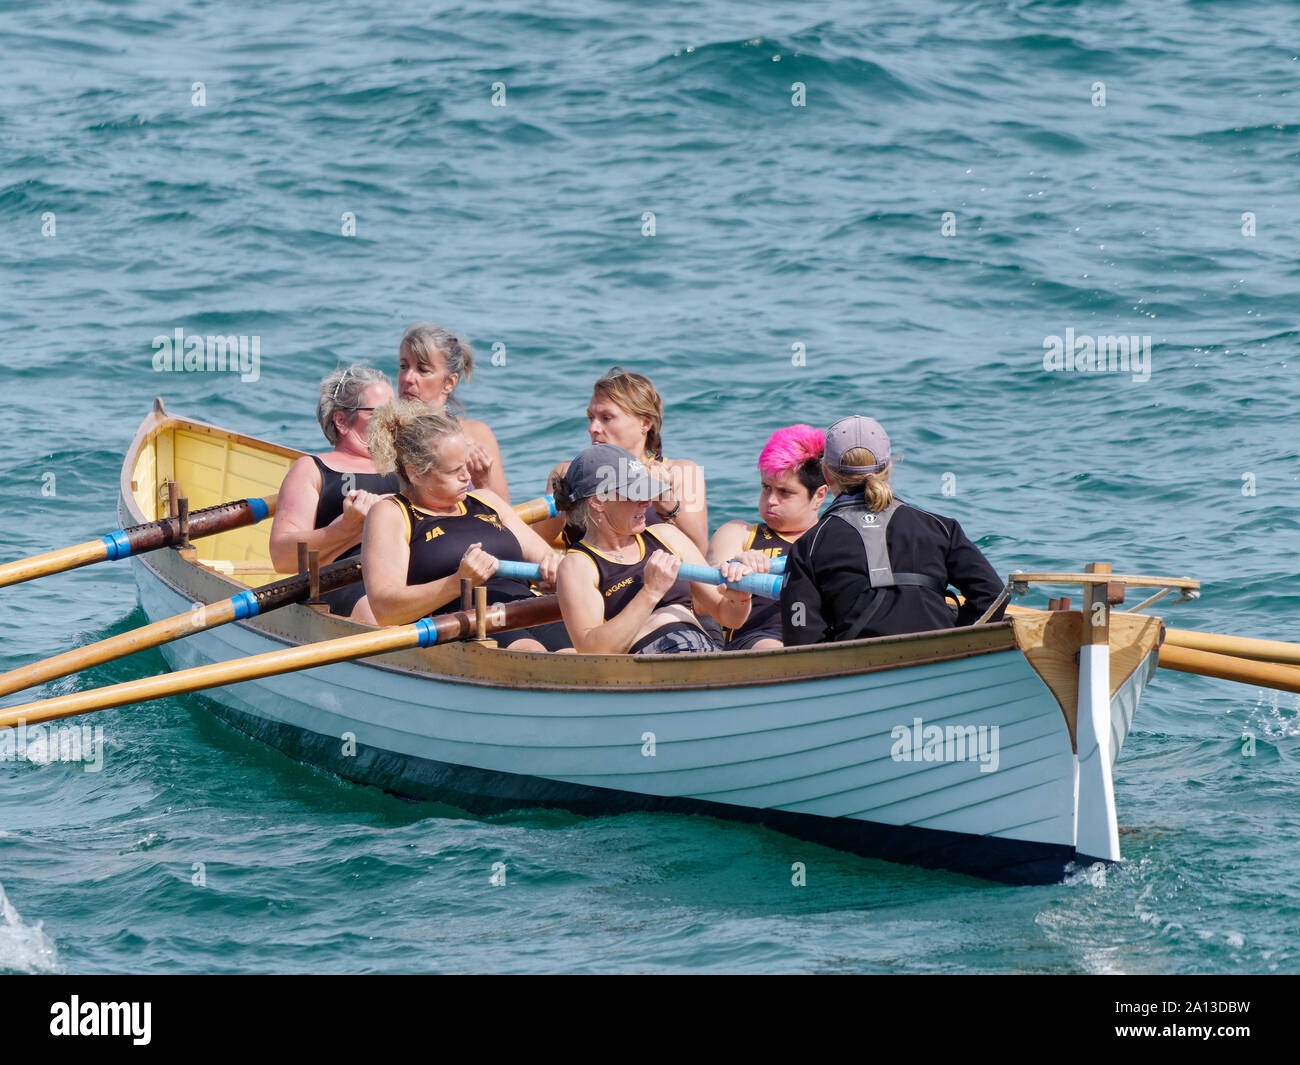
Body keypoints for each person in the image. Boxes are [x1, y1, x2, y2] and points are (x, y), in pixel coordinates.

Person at [360, 400, 570, 652]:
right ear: (415, 473)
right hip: (460, 620)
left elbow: (547, 556)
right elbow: (386, 609)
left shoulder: (487, 500)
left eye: (466, 466)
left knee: (585, 653)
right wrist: (458, 581)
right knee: (529, 651)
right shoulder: (391, 514)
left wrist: (553, 566)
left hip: (526, 607)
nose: (468, 477)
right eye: (455, 471)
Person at [780, 416, 1005, 645]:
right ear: (888, 468)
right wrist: (957, 636)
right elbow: (993, 595)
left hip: (856, 665)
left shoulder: (810, 545)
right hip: (940, 652)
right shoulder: (941, 528)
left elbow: (800, 631)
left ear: (826, 474)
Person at [554, 443, 751, 655]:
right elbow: (592, 649)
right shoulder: (577, 566)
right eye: (635, 494)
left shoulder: (667, 536)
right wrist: (650, 592)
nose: (647, 502)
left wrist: (739, 598)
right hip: (648, 669)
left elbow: (729, 617)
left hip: (702, 651)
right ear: (598, 501)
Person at [268, 365, 397, 620]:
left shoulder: (407, 468)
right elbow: (282, 558)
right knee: (379, 612)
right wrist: (345, 529)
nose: (392, 420)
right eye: (379, 412)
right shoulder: (312, 469)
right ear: (340, 420)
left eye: (394, 411)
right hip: (342, 581)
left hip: (402, 573)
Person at [539, 367, 709, 553]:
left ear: (645, 423)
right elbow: (537, 541)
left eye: (606, 418)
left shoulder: (683, 472)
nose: (593, 428)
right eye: (591, 418)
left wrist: (664, 502)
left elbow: (699, 549)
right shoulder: (568, 473)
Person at [707, 425, 829, 650]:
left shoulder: (832, 537)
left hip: (822, 635)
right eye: (766, 488)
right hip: (758, 640)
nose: (771, 500)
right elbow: (710, 595)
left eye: (784, 492)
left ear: (819, 495)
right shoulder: (739, 533)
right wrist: (738, 564)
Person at [397, 322, 510, 501]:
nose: (407, 378)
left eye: (422, 370)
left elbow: (505, 517)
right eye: (404, 366)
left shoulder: (477, 435)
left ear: (449, 383)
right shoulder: (385, 436)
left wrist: (483, 482)